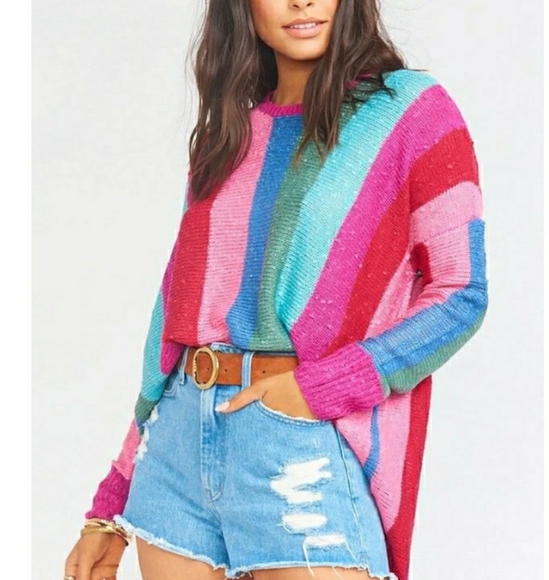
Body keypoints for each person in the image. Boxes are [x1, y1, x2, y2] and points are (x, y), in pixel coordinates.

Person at [63, 0, 488, 579]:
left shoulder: (408, 111)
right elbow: (171, 329)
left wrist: (320, 390)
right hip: (177, 450)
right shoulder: (225, 136)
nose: (301, 1)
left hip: (298, 439)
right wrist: (110, 504)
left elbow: (460, 293)